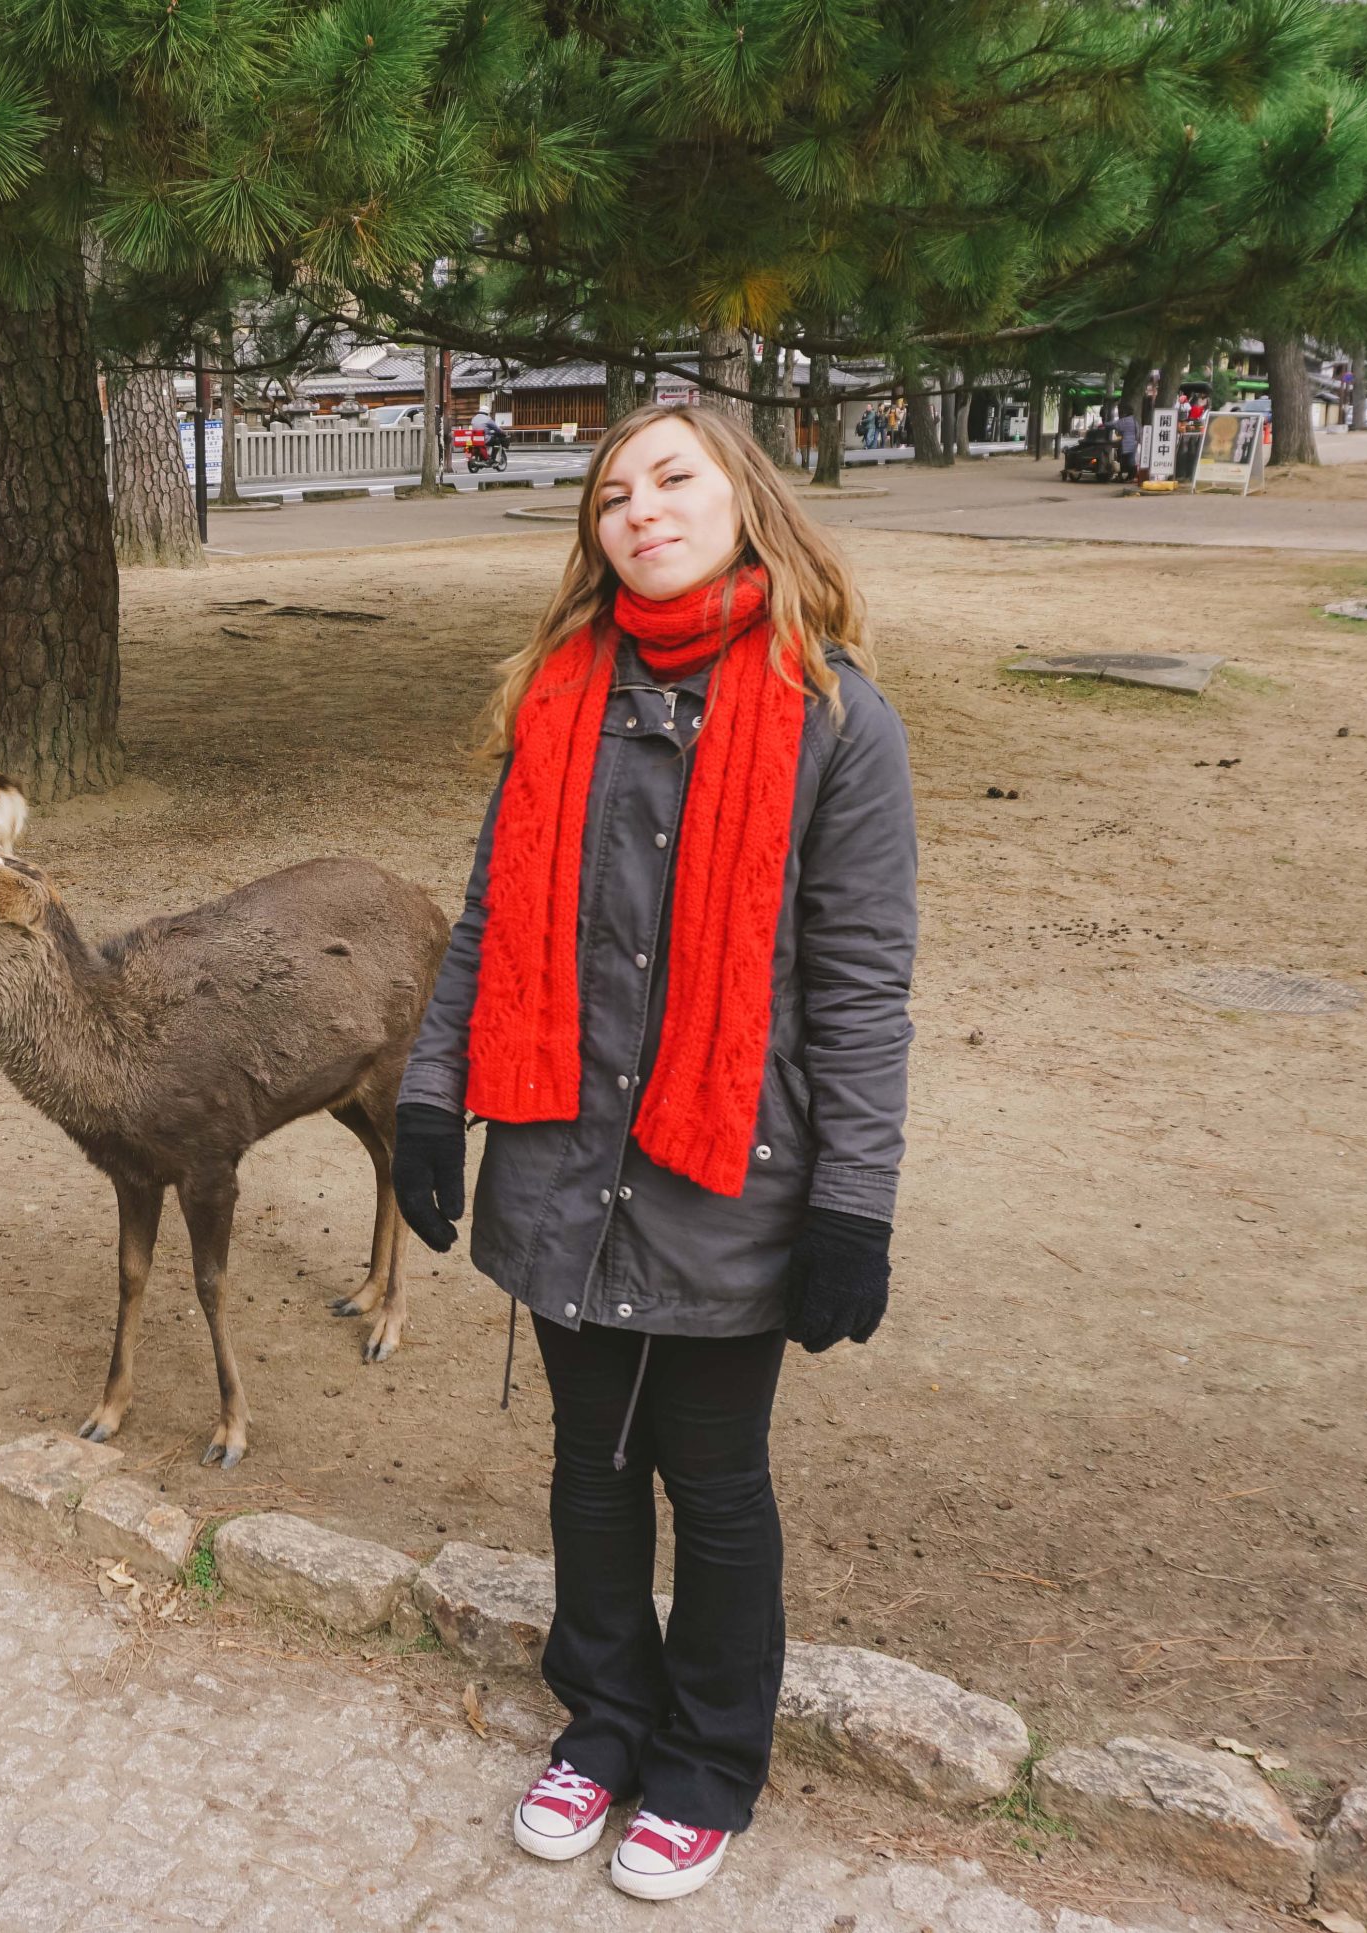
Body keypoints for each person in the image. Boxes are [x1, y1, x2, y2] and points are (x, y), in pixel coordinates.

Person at [390, 404, 916, 1903]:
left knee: (715, 1474)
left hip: (727, 1168)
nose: (640, 507)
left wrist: (852, 1209)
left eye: (671, 476)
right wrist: (435, 1102)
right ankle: (607, 1722)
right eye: (612, 491)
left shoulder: (833, 718)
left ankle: (707, 1760)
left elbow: (862, 985)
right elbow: (490, 922)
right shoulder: (560, 696)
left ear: (744, 497)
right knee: (592, 1463)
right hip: (564, 1152)